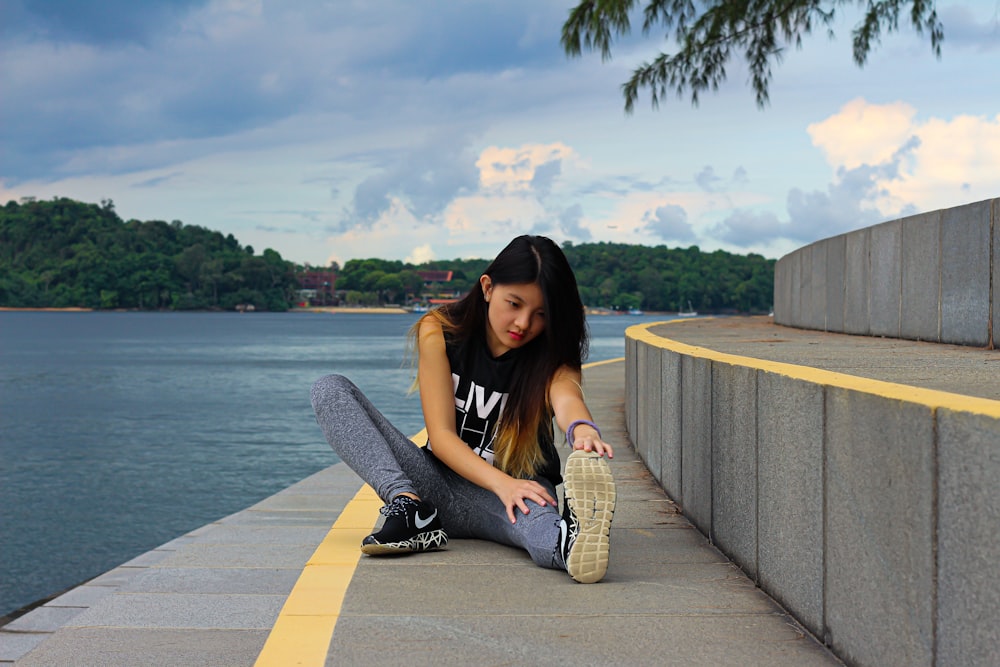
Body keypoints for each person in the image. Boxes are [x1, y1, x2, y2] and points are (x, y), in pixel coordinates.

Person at [310, 235, 616, 583]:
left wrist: (582, 429)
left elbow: (567, 397)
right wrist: (502, 484)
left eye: (541, 314)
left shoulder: (552, 353)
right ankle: (409, 508)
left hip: (518, 491)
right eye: (514, 304)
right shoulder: (440, 330)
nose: (523, 323)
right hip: (437, 484)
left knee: (540, 530)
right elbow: (440, 438)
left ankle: (571, 540)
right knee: (330, 389)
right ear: (487, 287)